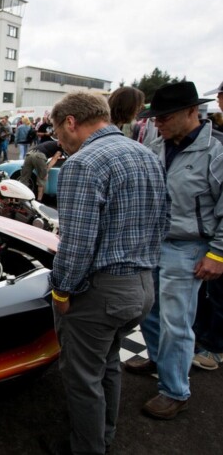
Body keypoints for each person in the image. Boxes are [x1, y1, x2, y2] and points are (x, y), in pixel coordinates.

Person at [44, 91, 169, 455]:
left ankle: (87, 448)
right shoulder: (147, 154)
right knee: (108, 363)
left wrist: (62, 291)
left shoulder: (84, 163)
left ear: (71, 122)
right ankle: (104, 435)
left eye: (58, 130)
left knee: (82, 378)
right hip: (143, 285)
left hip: (101, 292)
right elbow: (164, 221)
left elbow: (77, 244)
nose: (59, 139)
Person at [124, 81, 223, 420]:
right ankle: (157, 357)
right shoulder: (157, 143)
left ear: (192, 112)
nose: (157, 123)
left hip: (189, 247)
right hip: (153, 242)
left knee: (176, 322)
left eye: (165, 117)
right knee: (148, 310)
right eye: (156, 117)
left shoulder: (217, 152)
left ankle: (175, 390)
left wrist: (218, 254)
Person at [192, 80, 223, 370]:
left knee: (217, 296)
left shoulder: (218, 146)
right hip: (206, 234)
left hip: (216, 238)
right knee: (205, 296)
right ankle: (203, 340)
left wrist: (218, 251)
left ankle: (214, 347)